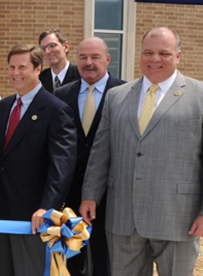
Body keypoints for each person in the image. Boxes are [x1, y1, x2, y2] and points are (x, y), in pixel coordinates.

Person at [80, 27, 203, 276]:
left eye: (164, 53)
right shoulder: (116, 97)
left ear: (178, 56)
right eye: (148, 52)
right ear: (140, 55)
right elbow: (101, 153)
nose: (154, 59)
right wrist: (90, 195)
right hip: (123, 217)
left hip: (179, 218)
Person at [0, 43, 76, 276]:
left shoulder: (56, 109)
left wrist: (46, 207)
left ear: (38, 69)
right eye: (11, 67)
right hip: (2, 213)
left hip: (33, 217)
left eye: (22, 67)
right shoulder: (3, 106)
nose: (15, 73)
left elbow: (62, 166)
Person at [52, 36, 125, 276]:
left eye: (95, 57)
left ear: (107, 59)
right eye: (83, 57)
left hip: (112, 192)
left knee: (106, 257)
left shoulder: (125, 94)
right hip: (70, 192)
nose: (88, 62)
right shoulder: (61, 95)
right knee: (73, 257)